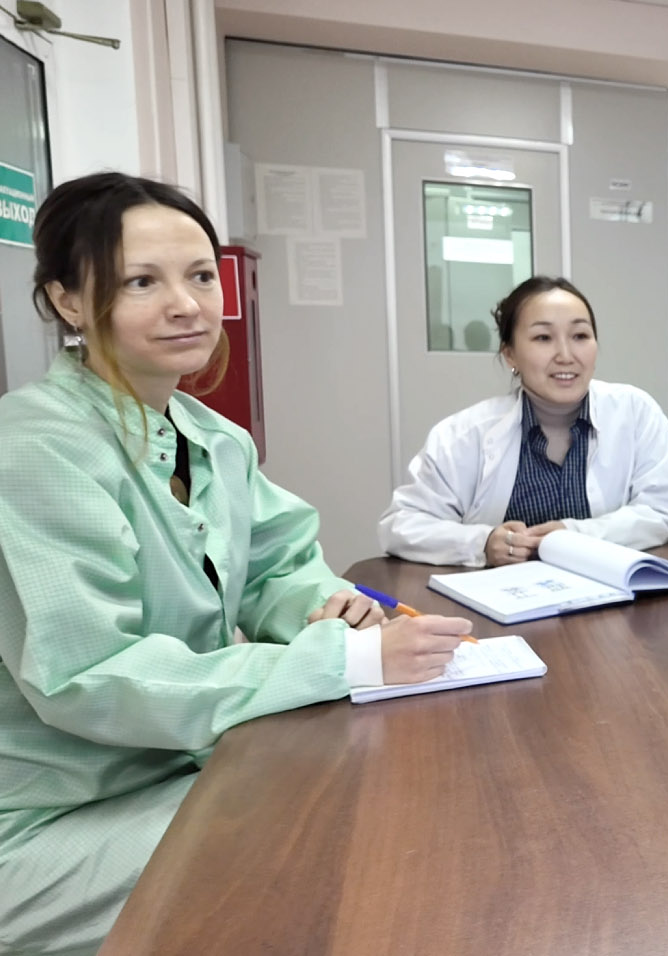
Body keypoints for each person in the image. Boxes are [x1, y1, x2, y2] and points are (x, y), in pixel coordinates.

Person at [0, 173, 472, 955]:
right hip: (59, 819)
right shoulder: (34, 451)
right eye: (141, 282)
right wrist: (344, 660)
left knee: (383, 794)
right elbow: (90, 675)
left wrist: (329, 608)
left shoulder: (212, 437)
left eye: (199, 275)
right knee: (334, 847)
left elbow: (277, 566)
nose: (186, 305)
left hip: (187, 765)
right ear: (68, 301)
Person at [379, 276, 668, 566]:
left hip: (614, 595)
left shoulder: (635, 413)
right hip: (504, 597)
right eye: (543, 337)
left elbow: (662, 511)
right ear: (510, 354)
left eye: (580, 336)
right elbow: (401, 525)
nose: (566, 355)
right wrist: (482, 543)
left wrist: (575, 535)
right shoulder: (464, 434)